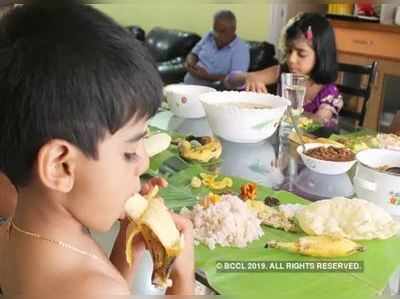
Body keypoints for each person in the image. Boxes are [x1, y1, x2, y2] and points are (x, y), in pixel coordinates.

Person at [0, 1, 194, 297]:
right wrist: (182, 281)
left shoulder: (16, 233)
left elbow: (96, 278)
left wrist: (125, 246)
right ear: (60, 166)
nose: (143, 163)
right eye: (129, 151)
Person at [245, 13, 343, 127]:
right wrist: (250, 77)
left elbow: (315, 125)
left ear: (321, 55)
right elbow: (234, 78)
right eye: (289, 51)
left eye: (301, 54)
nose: (291, 59)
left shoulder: (330, 93)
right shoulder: (282, 72)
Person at [184, 10, 250, 88]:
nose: (217, 35)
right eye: (215, 29)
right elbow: (193, 54)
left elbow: (236, 81)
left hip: (210, 92)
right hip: (187, 84)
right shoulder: (210, 35)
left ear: (233, 30)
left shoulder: (241, 49)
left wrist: (206, 76)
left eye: (222, 31)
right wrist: (190, 63)